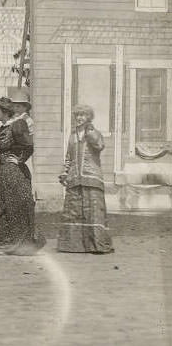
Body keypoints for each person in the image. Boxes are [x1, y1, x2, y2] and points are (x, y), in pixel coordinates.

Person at [0, 89, 44, 256]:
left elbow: (30, 145)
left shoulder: (18, 125)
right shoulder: (6, 126)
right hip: (5, 172)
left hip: (15, 173)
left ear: (5, 112)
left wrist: (20, 159)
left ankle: (19, 244)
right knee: (6, 206)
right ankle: (8, 244)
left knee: (16, 207)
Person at [57, 104, 113, 254]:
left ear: (89, 117)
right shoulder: (72, 136)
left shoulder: (94, 133)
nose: (79, 118)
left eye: (83, 115)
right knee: (74, 211)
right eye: (77, 115)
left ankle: (96, 245)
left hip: (92, 177)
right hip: (75, 178)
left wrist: (90, 132)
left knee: (93, 211)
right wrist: (64, 173)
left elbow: (100, 145)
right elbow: (69, 158)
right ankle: (73, 246)